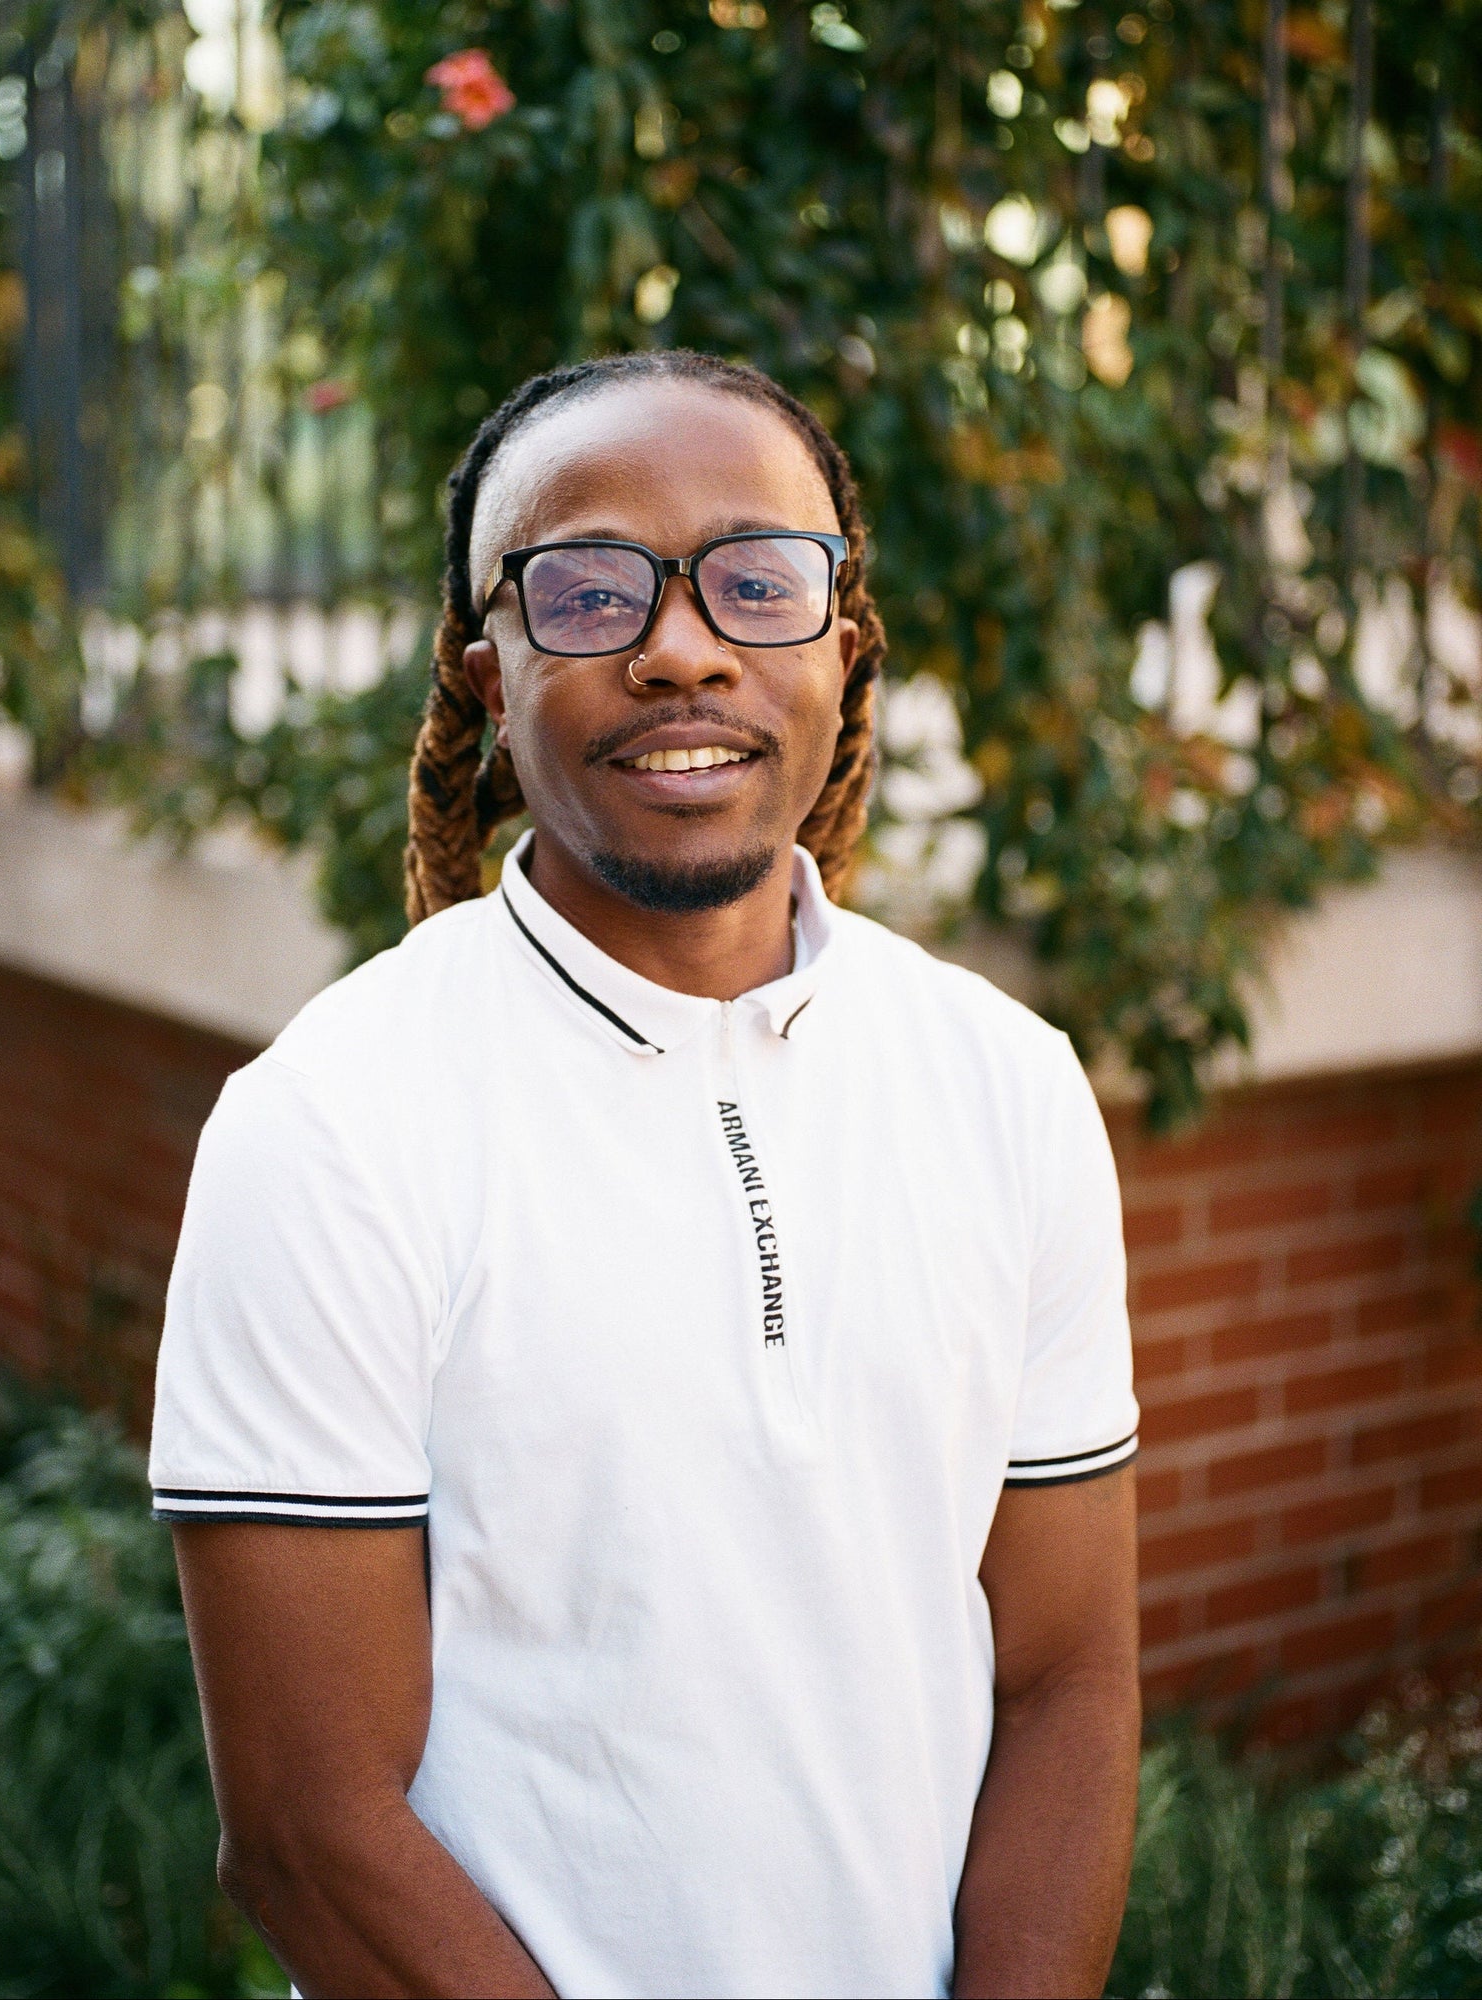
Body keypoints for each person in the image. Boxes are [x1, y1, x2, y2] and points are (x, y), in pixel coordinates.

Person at [150, 351, 1141, 2000]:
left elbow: (1066, 1684)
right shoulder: (331, 1124)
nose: (682, 646)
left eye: (757, 581)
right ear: (488, 667)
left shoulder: (1009, 1085)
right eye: (591, 588)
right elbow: (313, 1827)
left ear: (841, 642)